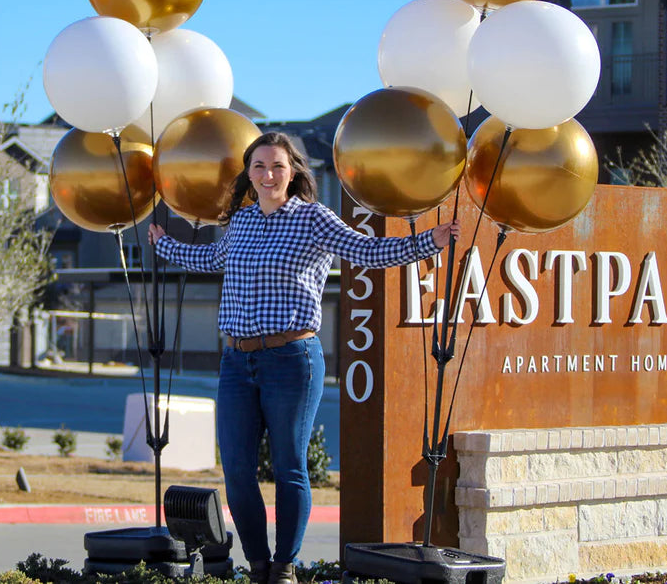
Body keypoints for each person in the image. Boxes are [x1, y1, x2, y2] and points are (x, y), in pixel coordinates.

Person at [148, 131, 460, 584]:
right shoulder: (242, 221)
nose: (268, 174)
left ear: (293, 171)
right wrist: (164, 246)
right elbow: (213, 257)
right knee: (236, 468)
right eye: (259, 166)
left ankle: (285, 565)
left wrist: (427, 241)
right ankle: (257, 564)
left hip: (291, 359)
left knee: (289, 464)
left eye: (277, 166)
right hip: (236, 362)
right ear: (248, 174)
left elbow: (367, 251)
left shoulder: (314, 218)